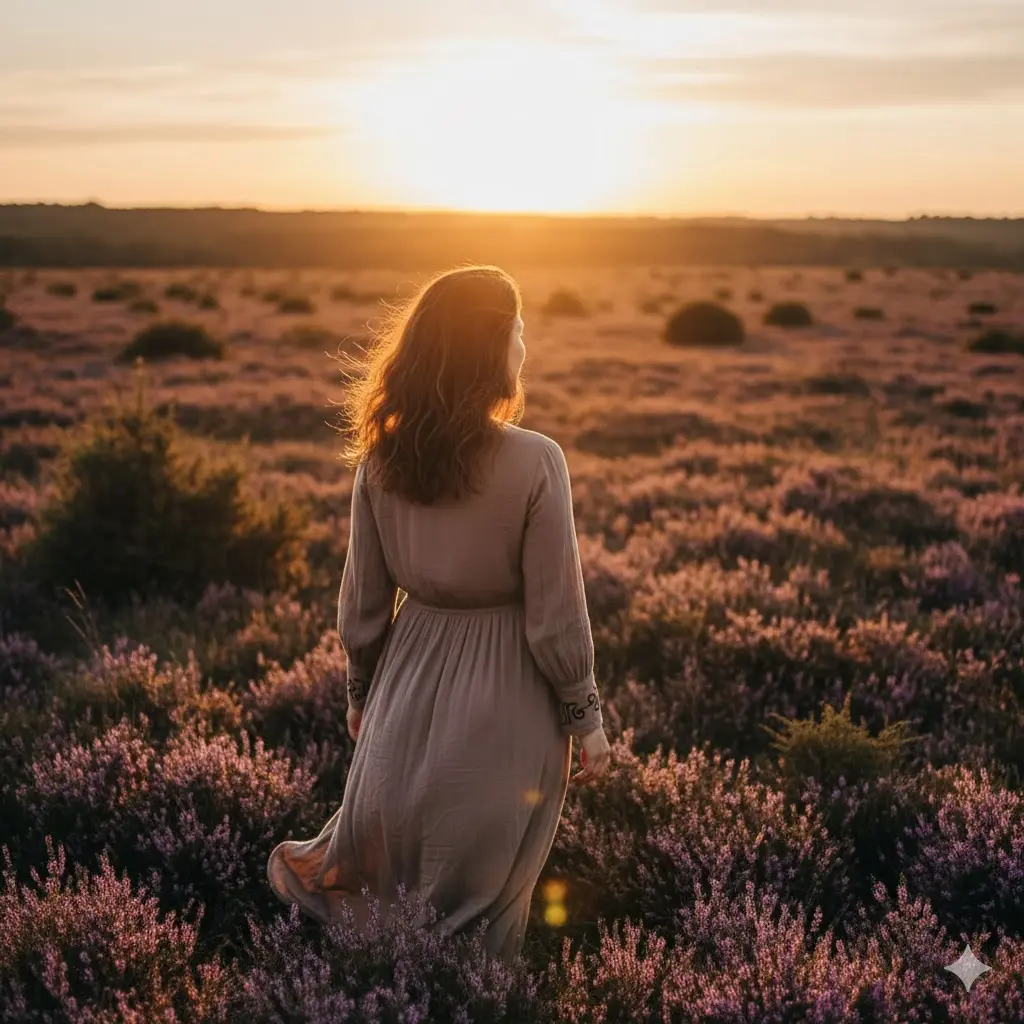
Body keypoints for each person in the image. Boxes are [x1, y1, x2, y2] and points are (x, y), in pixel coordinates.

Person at [266, 263, 612, 966]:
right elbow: (554, 619)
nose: (524, 347)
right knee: (482, 903)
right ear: (491, 349)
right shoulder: (536, 459)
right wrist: (587, 719)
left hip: (405, 678)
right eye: (517, 332)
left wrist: (361, 696)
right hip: (508, 691)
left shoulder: (382, 459)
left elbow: (361, 605)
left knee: (394, 870)